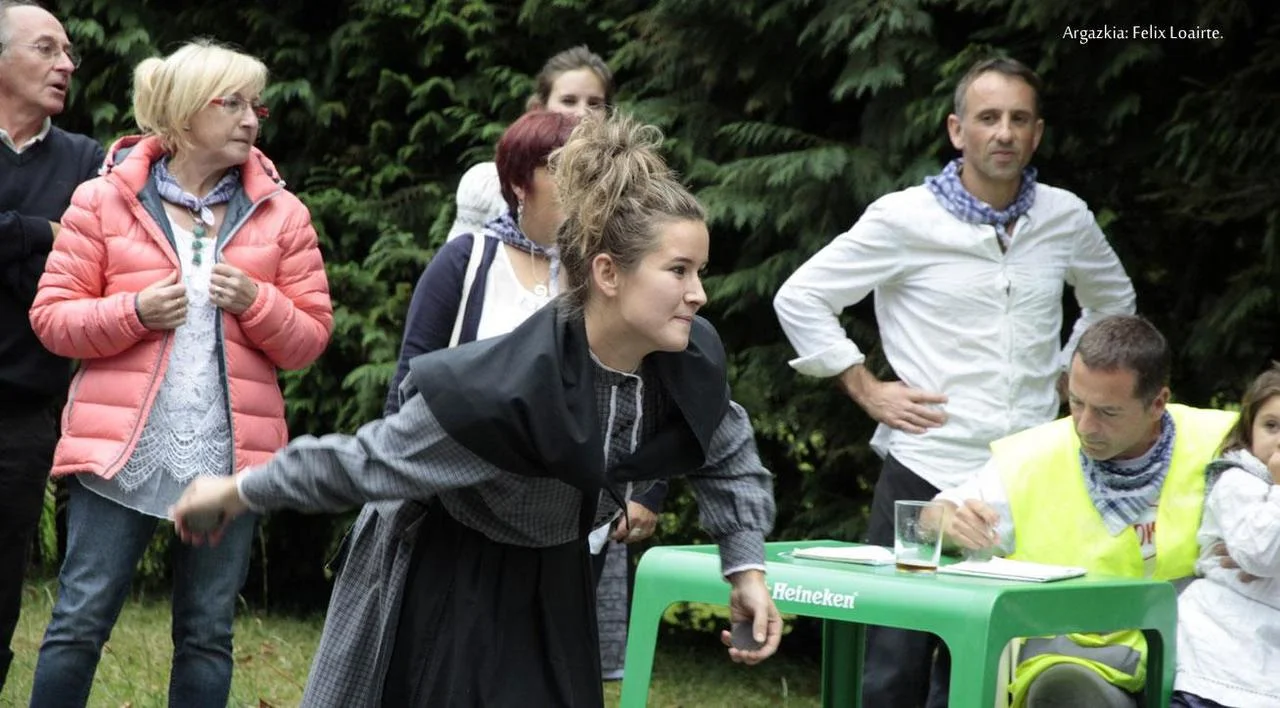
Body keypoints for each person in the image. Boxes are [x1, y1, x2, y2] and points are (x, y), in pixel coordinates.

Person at [171, 112, 783, 707]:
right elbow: (366, 461)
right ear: (607, 273)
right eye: (678, 271)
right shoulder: (508, 391)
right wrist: (237, 490)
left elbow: (724, 445)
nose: (699, 294)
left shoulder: (683, 359)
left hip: (557, 573)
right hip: (450, 572)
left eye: (700, 271)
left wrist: (746, 570)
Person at [771, 56, 1137, 707]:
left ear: (1037, 134)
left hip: (1024, 476)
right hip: (927, 469)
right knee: (895, 662)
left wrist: (1069, 379)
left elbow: (1113, 302)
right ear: (956, 130)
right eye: (988, 117)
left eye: (1019, 119)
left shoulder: (1065, 216)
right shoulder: (904, 217)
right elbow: (801, 297)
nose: (1004, 133)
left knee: (992, 661)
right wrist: (865, 387)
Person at [25, 39, 333, 707]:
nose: (251, 119)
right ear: (186, 112)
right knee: (79, 620)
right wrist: (133, 311)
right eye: (234, 103)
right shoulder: (101, 201)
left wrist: (259, 303)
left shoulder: (284, 214)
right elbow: (51, 317)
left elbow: (309, 339)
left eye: (257, 106)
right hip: (120, 450)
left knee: (207, 633)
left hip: (229, 458)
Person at [935, 315, 1237, 707]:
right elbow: (936, 514)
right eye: (1077, 403)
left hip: (1204, 664)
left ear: (1158, 403)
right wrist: (948, 523)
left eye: (1108, 412)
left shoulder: (1225, 441)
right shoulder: (1030, 456)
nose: (1085, 426)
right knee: (1065, 688)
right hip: (1080, 664)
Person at [0, 0, 102, 690]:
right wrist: (40, 232)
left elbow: (86, 270)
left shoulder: (86, 162)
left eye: (68, 52)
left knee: (1, 576)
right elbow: (55, 251)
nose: (65, 64)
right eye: (46, 49)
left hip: (24, 411)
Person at [1171, 364, 1280, 708]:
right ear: (1249, 429)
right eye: (1271, 426)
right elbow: (1260, 554)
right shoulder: (1237, 481)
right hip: (1219, 648)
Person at [448, 45, 613, 239]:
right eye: (569, 101)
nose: (582, 113)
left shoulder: (621, 189)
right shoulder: (487, 185)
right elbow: (463, 255)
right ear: (539, 107)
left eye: (595, 103)